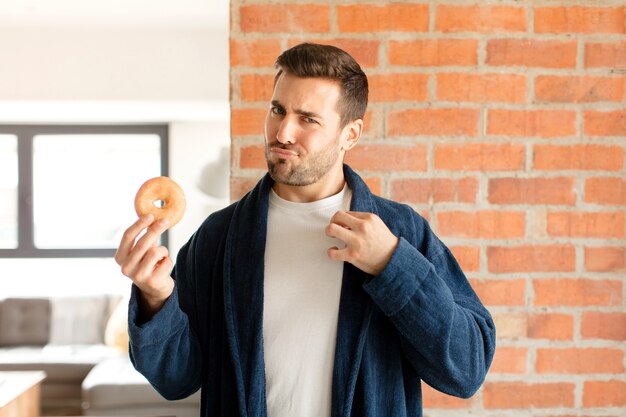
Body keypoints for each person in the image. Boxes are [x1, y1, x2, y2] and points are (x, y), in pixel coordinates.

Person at [115, 42, 496, 417]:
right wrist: (156, 296)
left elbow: (465, 370)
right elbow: (176, 380)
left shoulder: (400, 231)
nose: (282, 133)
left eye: (308, 119)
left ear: (351, 134)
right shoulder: (219, 236)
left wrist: (392, 265)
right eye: (277, 110)